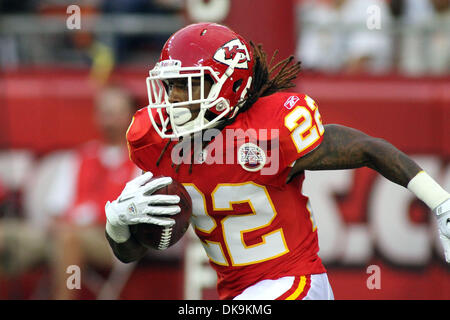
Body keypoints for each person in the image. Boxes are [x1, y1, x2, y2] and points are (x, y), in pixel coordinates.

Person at [104, 23, 450, 300]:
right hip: (241, 293)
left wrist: (441, 202)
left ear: (230, 84)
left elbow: (368, 148)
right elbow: (130, 253)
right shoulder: (157, 141)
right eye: (171, 86)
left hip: (296, 283)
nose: (175, 98)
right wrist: (117, 226)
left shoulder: (271, 131)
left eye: (188, 85)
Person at [47, 83, 140, 299]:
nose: (109, 119)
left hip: (110, 241)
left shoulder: (139, 164)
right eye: (105, 112)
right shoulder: (78, 157)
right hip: (63, 233)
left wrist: (73, 228)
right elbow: (54, 210)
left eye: (116, 113)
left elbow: (131, 219)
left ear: (130, 116)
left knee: (69, 240)